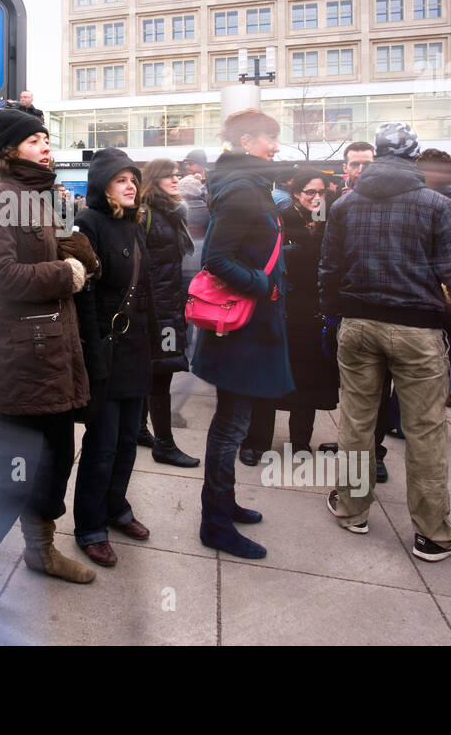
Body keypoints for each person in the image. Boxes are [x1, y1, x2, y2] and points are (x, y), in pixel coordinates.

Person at [0, 108, 98, 643]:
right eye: (34, 139)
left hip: (59, 356)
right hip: (23, 361)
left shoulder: (46, 198)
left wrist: (70, 228)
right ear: (11, 149)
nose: (44, 145)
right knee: (4, 477)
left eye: (46, 138)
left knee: (57, 460)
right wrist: (68, 273)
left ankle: (41, 552)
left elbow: (91, 264)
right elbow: (3, 278)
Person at [319, 122, 451, 562]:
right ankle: (434, 532)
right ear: (415, 157)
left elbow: (329, 268)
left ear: (375, 154)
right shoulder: (436, 204)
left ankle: (353, 508)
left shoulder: (346, 204)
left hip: (357, 324)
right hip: (417, 329)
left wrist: (331, 316)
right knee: (425, 430)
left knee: (356, 422)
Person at [190, 110, 292, 560]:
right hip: (244, 328)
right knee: (231, 426)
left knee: (233, 422)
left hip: (249, 324)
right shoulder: (243, 192)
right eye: (271, 140)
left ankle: (223, 503)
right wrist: (265, 285)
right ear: (248, 140)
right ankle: (214, 521)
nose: (276, 147)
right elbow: (215, 258)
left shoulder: (249, 187)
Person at [72, 148, 157, 565]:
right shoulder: (89, 223)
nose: (130, 186)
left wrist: (158, 344)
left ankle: (116, 507)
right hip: (105, 349)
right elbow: (83, 298)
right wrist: (92, 357)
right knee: (102, 445)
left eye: (133, 179)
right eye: (121, 179)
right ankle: (89, 525)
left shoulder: (134, 224)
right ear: (102, 185)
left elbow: (147, 291)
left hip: (136, 351)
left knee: (127, 443)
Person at [244, 169, 339, 460]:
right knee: (268, 379)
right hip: (280, 310)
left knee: (307, 383)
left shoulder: (330, 223)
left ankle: (300, 442)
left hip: (314, 315)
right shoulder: (281, 219)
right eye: (310, 191)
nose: (316, 197)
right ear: (296, 193)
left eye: (321, 192)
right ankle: (256, 442)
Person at [137, 158, 199, 467]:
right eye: (168, 176)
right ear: (154, 179)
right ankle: (164, 443)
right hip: (156, 309)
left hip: (169, 303)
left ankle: (139, 429)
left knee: (154, 371)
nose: (176, 179)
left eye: (177, 175)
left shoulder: (170, 213)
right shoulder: (147, 214)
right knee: (160, 373)